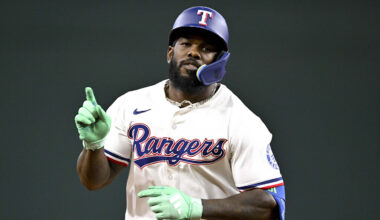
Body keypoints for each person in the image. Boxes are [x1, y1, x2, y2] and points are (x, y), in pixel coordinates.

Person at [75, 6, 285, 220]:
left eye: (206, 48)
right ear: (170, 53)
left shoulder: (242, 121)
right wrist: (93, 146)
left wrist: (196, 207)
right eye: (186, 44)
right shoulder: (130, 104)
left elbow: (269, 203)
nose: (194, 52)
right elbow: (93, 181)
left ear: (220, 62)